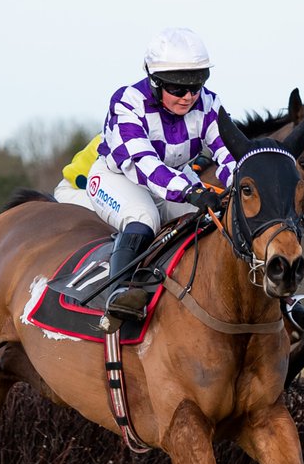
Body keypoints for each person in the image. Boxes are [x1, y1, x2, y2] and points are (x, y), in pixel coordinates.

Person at [76, 27, 232, 331]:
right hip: (119, 178)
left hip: (176, 180)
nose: (189, 97)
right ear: (154, 81)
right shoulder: (127, 102)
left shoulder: (209, 104)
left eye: (196, 87)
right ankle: (118, 294)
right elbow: (144, 164)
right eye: (178, 89)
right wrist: (191, 191)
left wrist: (243, 181)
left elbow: (227, 151)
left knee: (218, 221)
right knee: (144, 217)